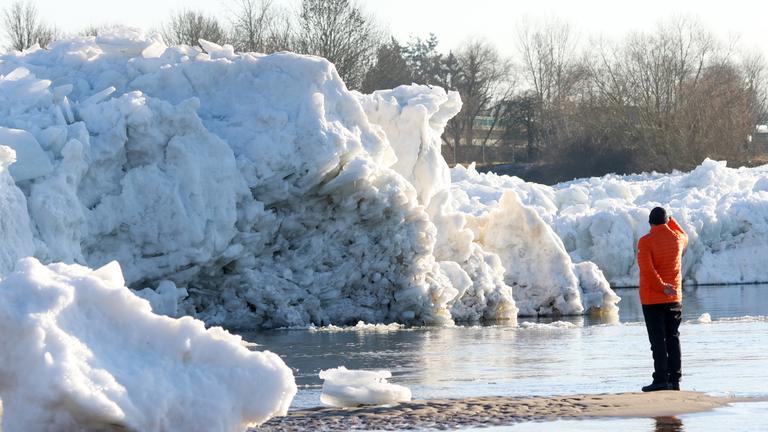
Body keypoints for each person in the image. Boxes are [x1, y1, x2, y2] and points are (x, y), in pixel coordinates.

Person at [637, 207, 688, 392]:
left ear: (650, 223)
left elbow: (648, 270)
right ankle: (674, 380)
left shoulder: (645, 242)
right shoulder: (677, 239)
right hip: (675, 298)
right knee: (673, 337)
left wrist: (661, 287)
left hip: (653, 299)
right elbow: (684, 234)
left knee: (658, 340)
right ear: (666, 222)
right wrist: (672, 220)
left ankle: (660, 379)